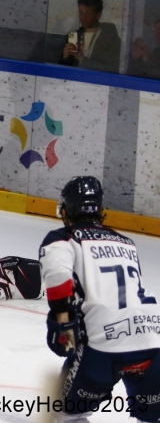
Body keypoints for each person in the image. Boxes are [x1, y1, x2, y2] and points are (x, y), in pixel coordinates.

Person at [40, 176, 160, 422]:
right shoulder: (127, 242)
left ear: (65, 209)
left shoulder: (63, 238)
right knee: (152, 418)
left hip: (104, 346)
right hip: (152, 340)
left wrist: (63, 321)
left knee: (66, 415)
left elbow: (59, 277)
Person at [59, 0, 121, 73]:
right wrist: (65, 58)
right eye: (81, 12)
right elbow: (62, 71)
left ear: (98, 15)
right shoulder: (73, 36)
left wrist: (81, 59)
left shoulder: (110, 38)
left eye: (88, 13)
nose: (83, 17)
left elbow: (112, 69)